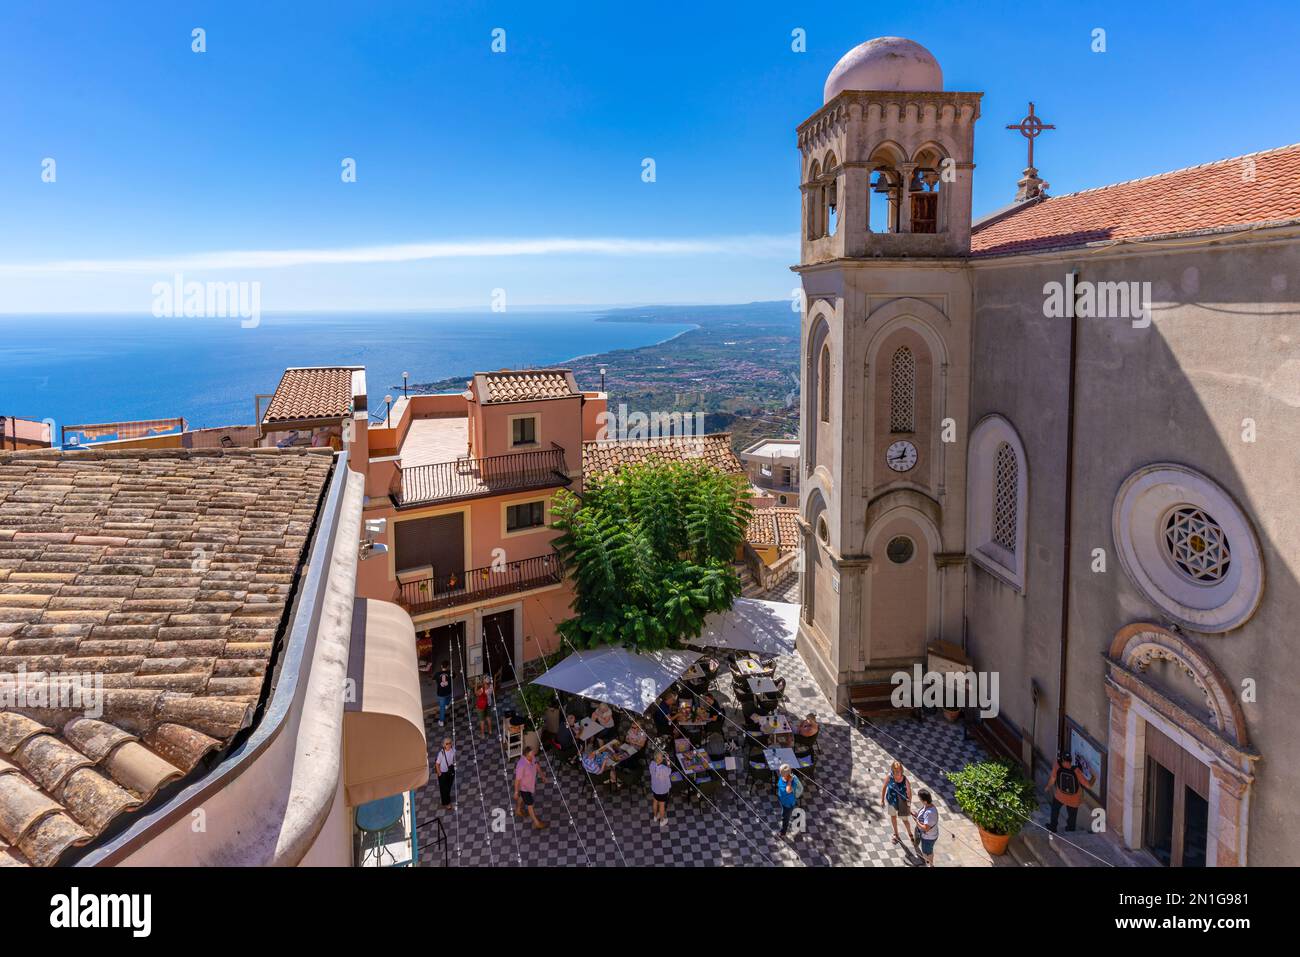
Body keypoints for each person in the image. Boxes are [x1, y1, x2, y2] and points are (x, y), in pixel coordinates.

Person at [1046, 751, 1095, 833]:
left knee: (1055, 809)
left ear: (1062, 759)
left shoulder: (1057, 766)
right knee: (1072, 817)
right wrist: (1094, 777)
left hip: (1060, 795)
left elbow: (1052, 779)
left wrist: (1048, 786)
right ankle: (1070, 831)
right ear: (1071, 760)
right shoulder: (1076, 770)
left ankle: (1053, 827)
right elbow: (1088, 786)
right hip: (1074, 799)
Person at [514, 746, 548, 829]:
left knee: (522, 797)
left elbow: (536, 765)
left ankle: (518, 810)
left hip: (530, 786)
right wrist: (516, 792)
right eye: (531, 754)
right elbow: (517, 780)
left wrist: (542, 776)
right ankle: (536, 823)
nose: (533, 755)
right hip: (524, 788)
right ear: (527, 755)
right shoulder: (521, 765)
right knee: (530, 804)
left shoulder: (532, 758)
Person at [881, 760, 912, 844]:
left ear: (901, 770)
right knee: (893, 817)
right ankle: (896, 834)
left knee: (905, 820)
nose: (897, 773)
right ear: (892, 771)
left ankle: (910, 835)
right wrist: (882, 800)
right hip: (891, 801)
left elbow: (909, 793)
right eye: (895, 771)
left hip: (902, 803)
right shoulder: (889, 777)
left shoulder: (905, 780)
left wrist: (909, 804)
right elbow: (884, 788)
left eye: (899, 771)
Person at [912, 789, 939, 865]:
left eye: (920, 799)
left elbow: (926, 828)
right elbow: (923, 819)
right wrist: (917, 815)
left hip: (928, 837)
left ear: (925, 801)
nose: (920, 800)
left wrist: (917, 822)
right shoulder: (928, 806)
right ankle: (929, 863)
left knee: (927, 853)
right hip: (929, 835)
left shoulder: (930, 813)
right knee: (928, 851)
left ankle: (930, 864)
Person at [776, 763, 803, 836]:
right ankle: (796, 816)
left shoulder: (792, 782)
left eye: (781, 773)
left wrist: (790, 781)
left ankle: (783, 832)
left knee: (785, 818)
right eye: (780, 772)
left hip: (788, 804)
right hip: (784, 801)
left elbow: (788, 790)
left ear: (787, 774)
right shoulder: (783, 777)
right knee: (788, 812)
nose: (780, 774)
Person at [649, 750, 672, 827]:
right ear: (660, 759)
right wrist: (668, 761)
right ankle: (662, 820)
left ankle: (655, 816)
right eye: (662, 757)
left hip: (655, 788)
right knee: (662, 805)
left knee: (655, 802)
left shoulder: (652, 764)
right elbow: (669, 771)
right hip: (662, 790)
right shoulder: (663, 768)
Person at [434, 737, 456, 811]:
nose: (449, 745)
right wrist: (439, 773)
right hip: (443, 773)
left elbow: (453, 758)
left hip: (450, 770)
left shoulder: (453, 749)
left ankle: (445, 799)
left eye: (450, 743)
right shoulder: (441, 753)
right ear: (444, 745)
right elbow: (437, 764)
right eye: (447, 744)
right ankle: (448, 803)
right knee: (444, 789)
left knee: (448, 787)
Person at [434, 660, 452, 727]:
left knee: (442, 708)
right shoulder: (450, 672)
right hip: (448, 691)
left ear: (441, 666)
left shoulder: (437, 674)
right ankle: (447, 705)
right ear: (448, 666)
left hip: (440, 693)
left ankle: (441, 721)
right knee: (448, 699)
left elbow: (433, 680)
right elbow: (454, 677)